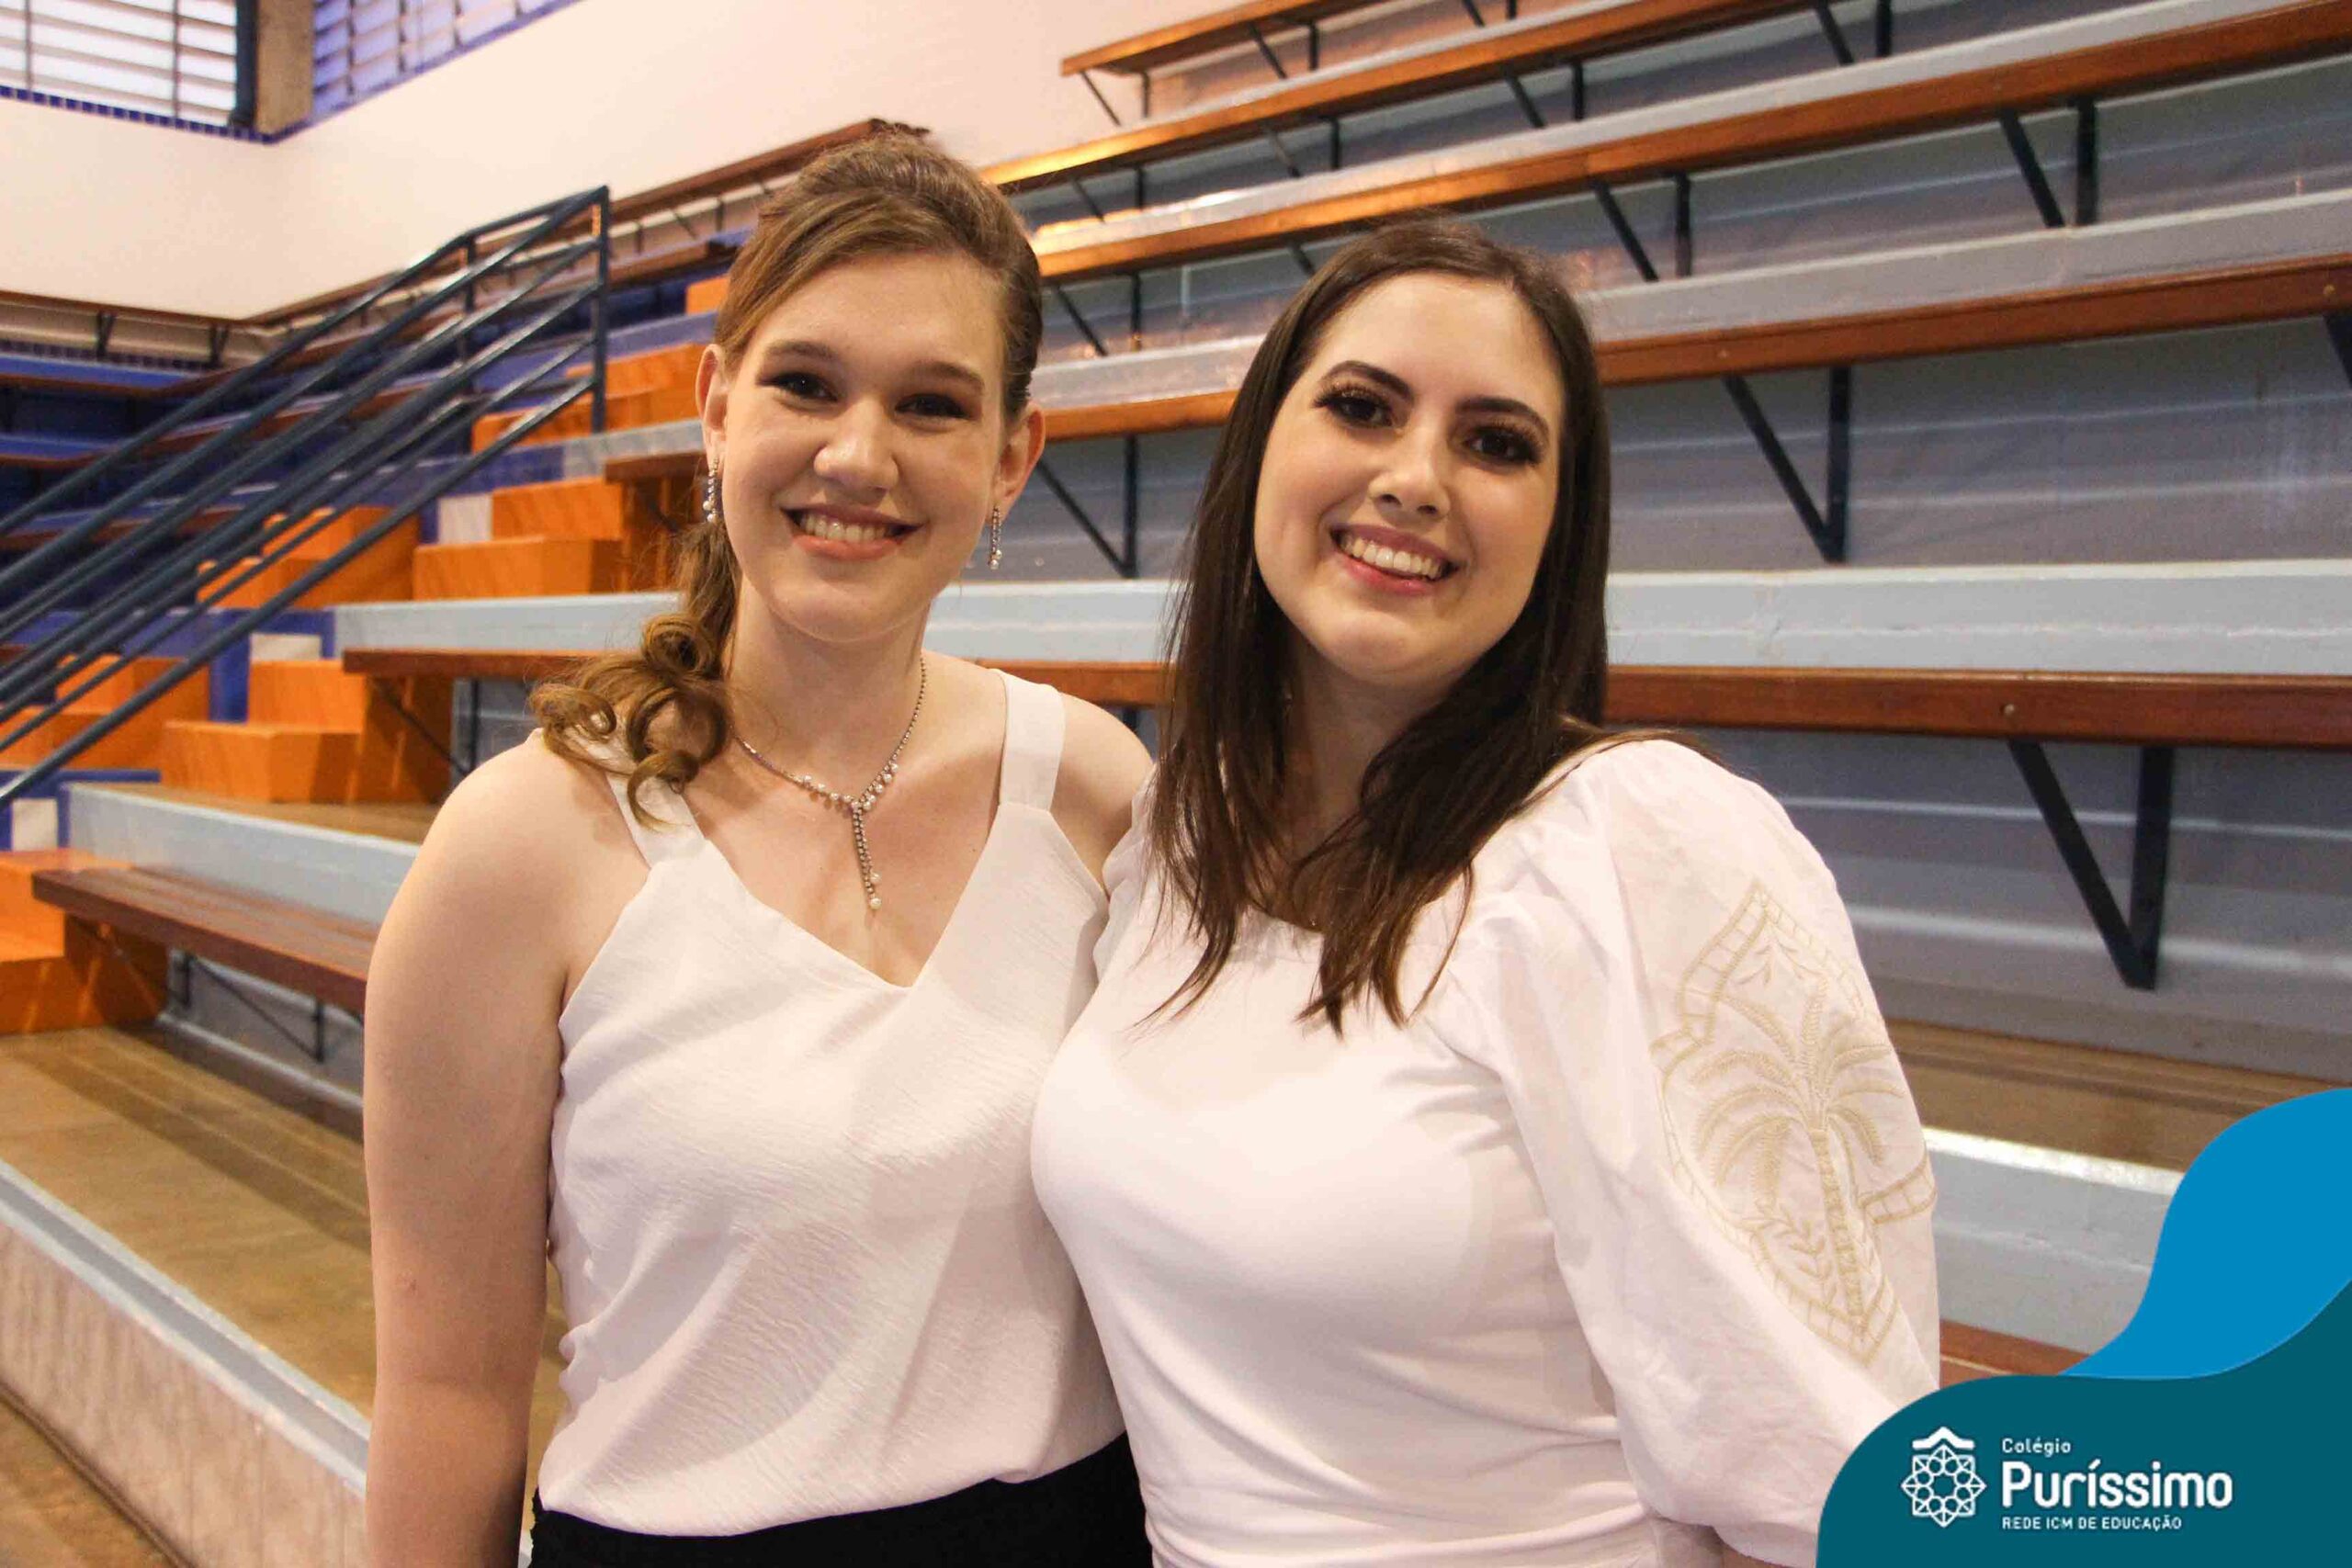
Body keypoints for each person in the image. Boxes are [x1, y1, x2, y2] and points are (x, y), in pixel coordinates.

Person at [1032, 220, 1940, 1568]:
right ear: (1262, 446)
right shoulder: (1179, 833)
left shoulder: (1641, 850)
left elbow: (1827, 1484)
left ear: (1560, 526)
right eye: (1362, 407)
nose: (1415, 479)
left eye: (1497, 443)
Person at [363, 136, 1153, 1566]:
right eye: (807, 383)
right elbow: (446, 1398)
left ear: (1010, 460)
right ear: (716, 406)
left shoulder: (1093, 793)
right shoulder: (524, 848)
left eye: (932, 404)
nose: (859, 454)